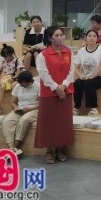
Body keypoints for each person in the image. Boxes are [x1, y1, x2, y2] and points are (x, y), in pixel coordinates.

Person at [34, 26, 75, 164]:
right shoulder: (43, 55)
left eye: (61, 34)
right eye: (56, 35)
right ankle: (49, 150)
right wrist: (56, 88)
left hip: (66, 91)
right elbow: (43, 74)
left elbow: (71, 71)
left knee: (63, 122)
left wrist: (64, 85)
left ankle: (60, 149)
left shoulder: (68, 52)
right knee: (49, 122)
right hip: (49, 93)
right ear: (50, 38)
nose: (60, 37)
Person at [1, 71, 39, 156]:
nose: (22, 86)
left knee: (24, 120)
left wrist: (30, 109)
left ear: (30, 81)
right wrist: (16, 108)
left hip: (34, 109)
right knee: (6, 121)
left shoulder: (38, 86)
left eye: (24, 84)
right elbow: (13, 102)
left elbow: (42, 104)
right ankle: (12, 148)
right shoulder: (18, 86)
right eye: (21, 84)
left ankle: (15, 147)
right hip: (20, 109)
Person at [73, 29, 101, 117]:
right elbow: (75, 67)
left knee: (89, 83)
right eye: (89, 36)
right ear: (86, 38)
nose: (92, 38)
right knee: (77, 83)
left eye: (94, 36)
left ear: (97, 39)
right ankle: (76, 108)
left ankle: (93, 108)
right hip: (85, 77)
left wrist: (92, 76)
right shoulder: (81, 51)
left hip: (100, 77)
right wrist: (80, 76)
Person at [0, 44, 24, 115]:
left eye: (6, 56)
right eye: (3, 56)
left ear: (11, 54)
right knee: (2, 86)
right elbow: (0, 70)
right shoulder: (3, 61)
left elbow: (19, 71)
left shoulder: (17, 60)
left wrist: (14, 78)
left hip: (16, 78)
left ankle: (14, 106)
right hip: (6, 78)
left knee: (14, 85)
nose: (5, 58)